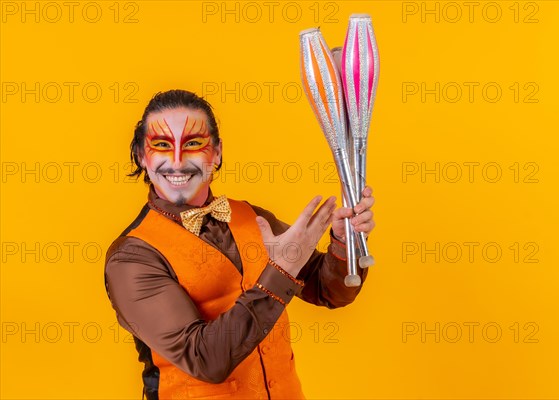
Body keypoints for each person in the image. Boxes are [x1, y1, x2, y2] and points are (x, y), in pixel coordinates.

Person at [104, 89, 375, 399]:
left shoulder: (252, 217)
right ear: (142, 156)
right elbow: (205, 360)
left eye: (193, 144)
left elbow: (331, 291)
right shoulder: (132, 257)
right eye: (162, 146)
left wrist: (344, 240)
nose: (177, 162)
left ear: (216, 153)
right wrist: (281, 271)